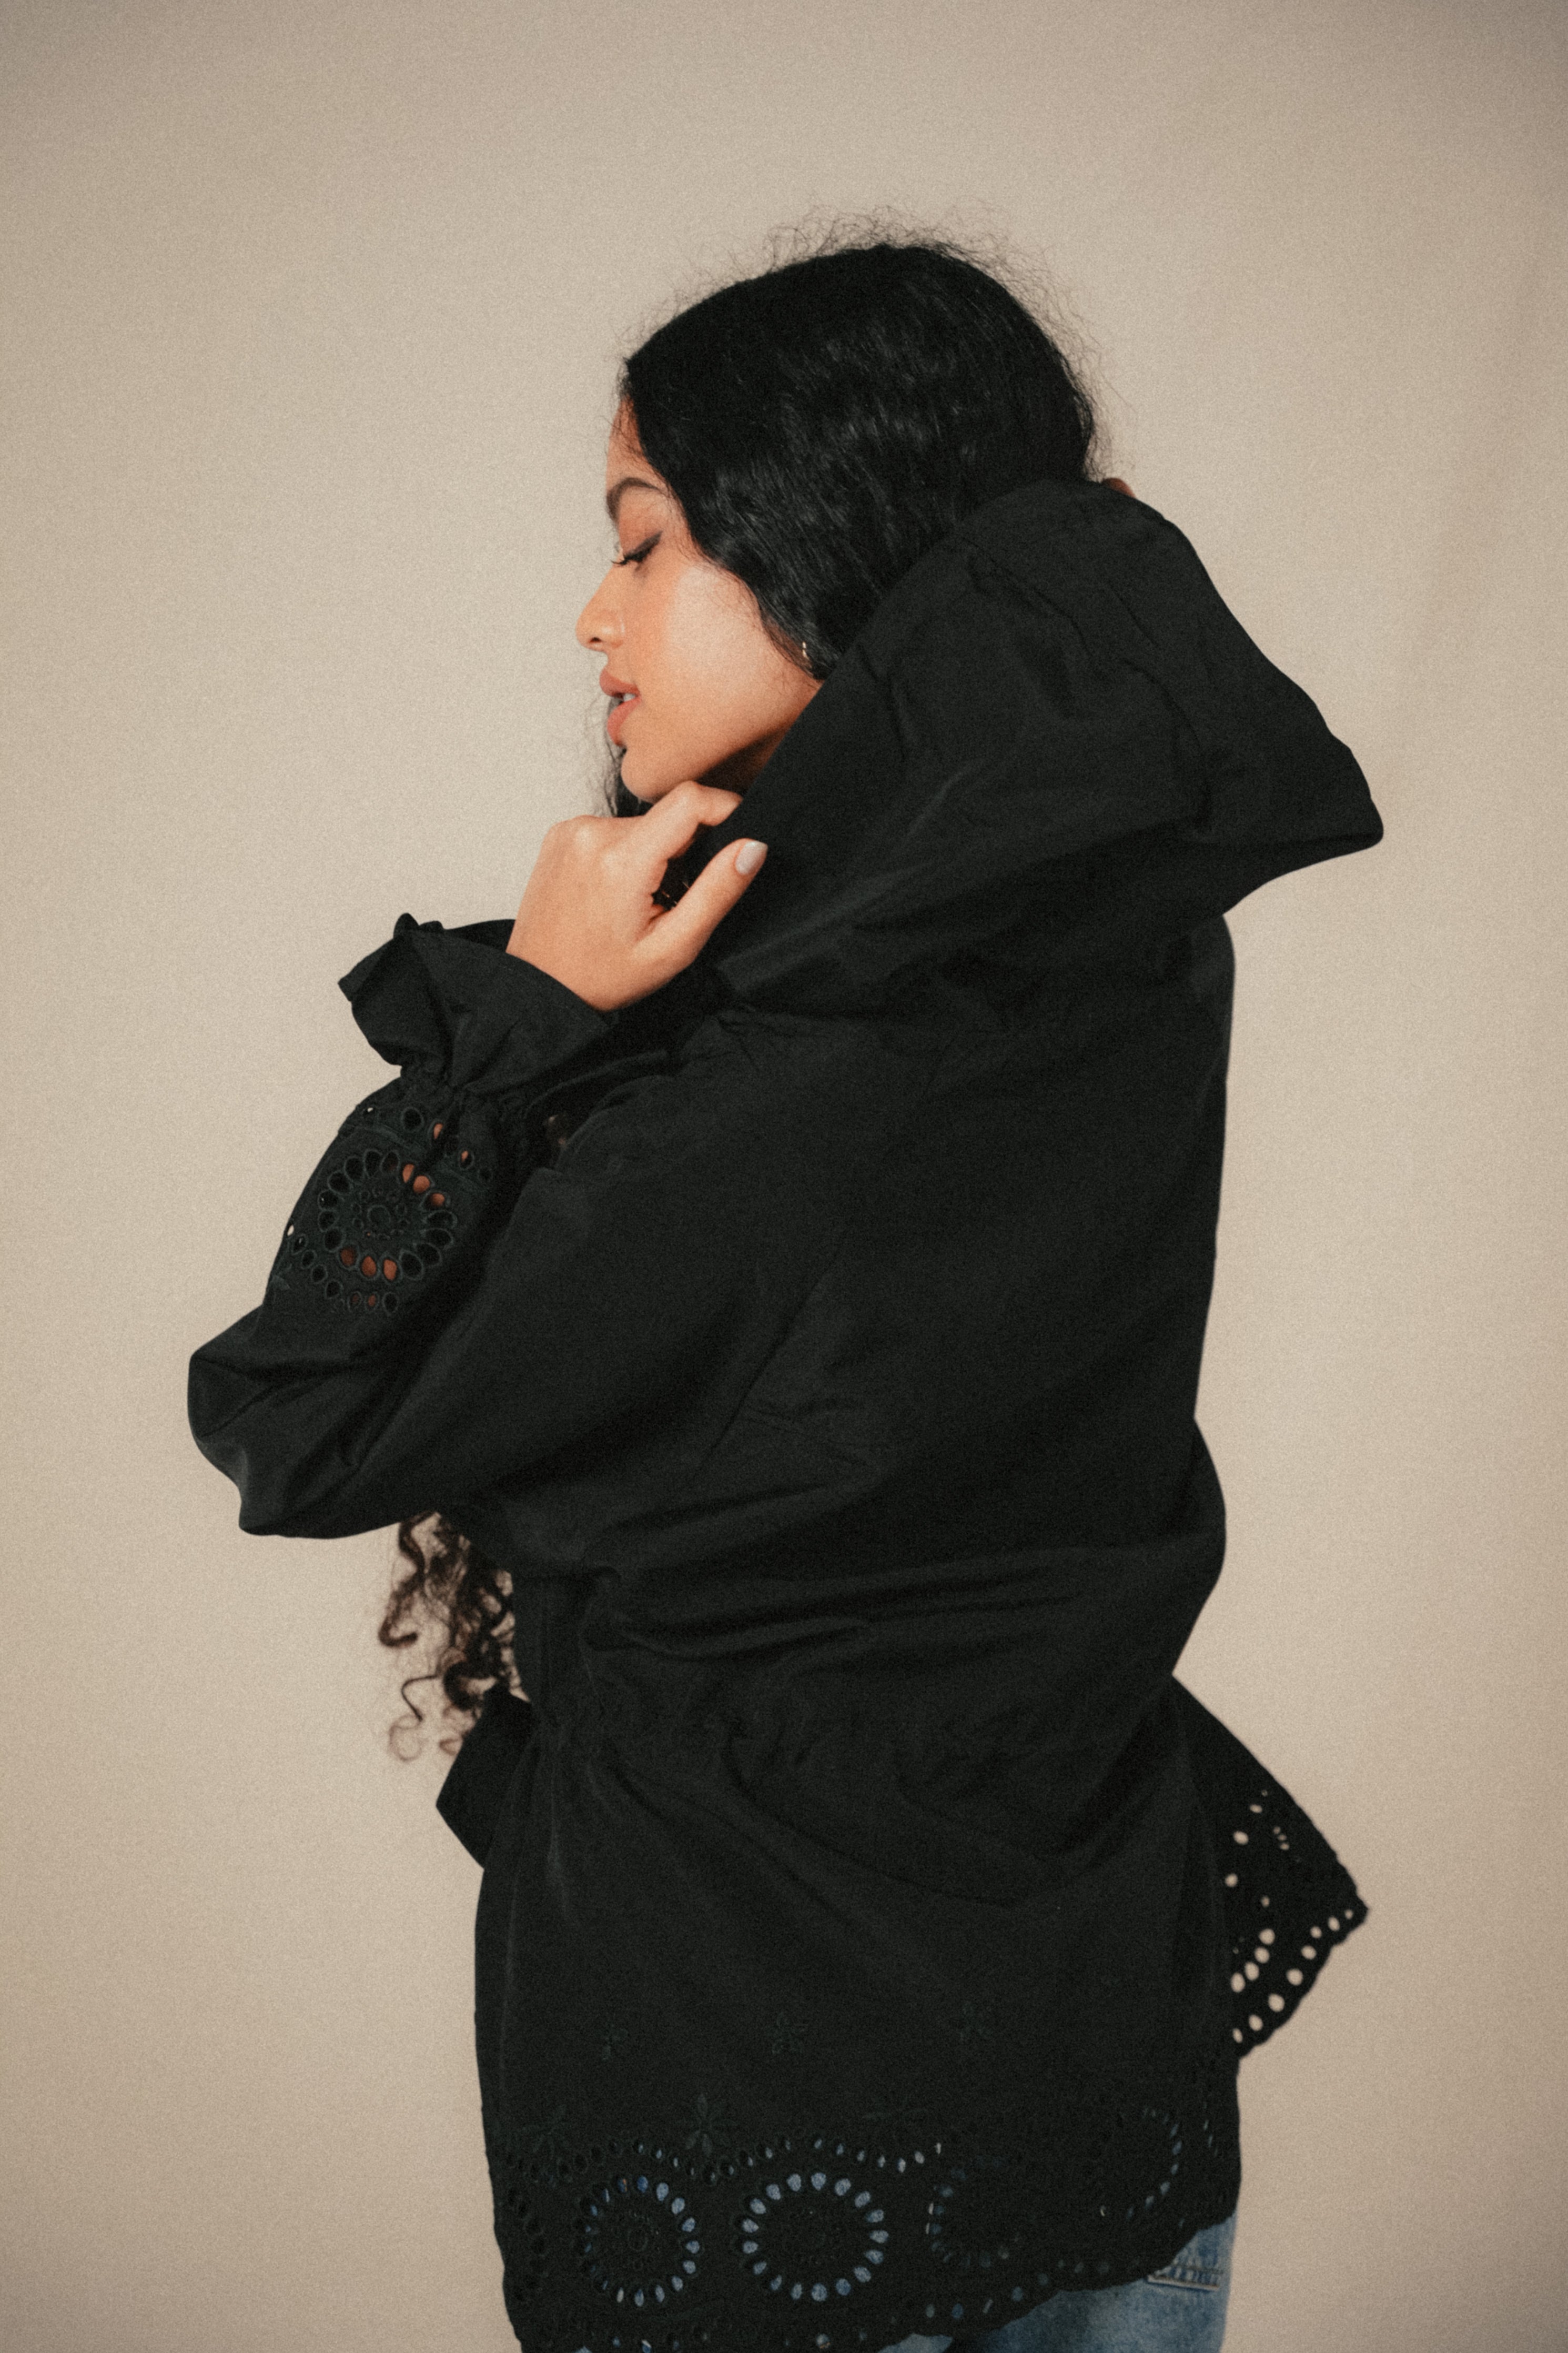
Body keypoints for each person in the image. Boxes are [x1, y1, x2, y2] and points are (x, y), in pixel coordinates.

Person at [188, 231, 1381, 2353]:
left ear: (822, 541)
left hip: (757, 2073)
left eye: (645, 538)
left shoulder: (791, 1072)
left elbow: (302, 1420)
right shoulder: (1116, 947)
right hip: (1094, 2007)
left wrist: (520, 1025)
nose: (594, 613)